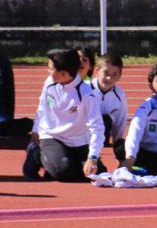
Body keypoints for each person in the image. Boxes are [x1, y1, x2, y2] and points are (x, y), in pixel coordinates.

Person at [23, 48, 106, 182]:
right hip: (52, 136)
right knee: (64, 172)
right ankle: (37, 155)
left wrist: (93, 157)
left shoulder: (86, 94)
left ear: (63, 74)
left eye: (51, 69)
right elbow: (42, 108)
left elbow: (97, 127)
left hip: (78, 141)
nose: (48, 72)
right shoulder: (49, 83)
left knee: (96, 174)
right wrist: (36, 129)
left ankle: (58, 162)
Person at [90, 53, 128, 164]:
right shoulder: (84, 89)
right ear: (97, 71)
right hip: (82, 135)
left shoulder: (120, 96)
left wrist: (119, 150)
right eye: (105, 73)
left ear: (120, 76)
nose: (109, 78)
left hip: (102, 136)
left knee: (106, 119)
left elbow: (120, 124)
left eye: (115, 74)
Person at [0, 52, 34, 148]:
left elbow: (9, 93)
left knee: (28, 123)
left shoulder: (3, 61)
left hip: (1, 121)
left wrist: (9, 119)